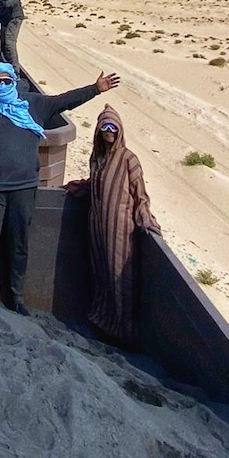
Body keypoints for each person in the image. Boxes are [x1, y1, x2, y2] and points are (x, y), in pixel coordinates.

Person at [0, 62, 119, 313]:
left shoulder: (34, 105)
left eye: (6, 80)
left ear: (14, 80)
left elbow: (64, 101)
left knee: (19, 242)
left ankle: (16, 298)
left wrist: (95, 89)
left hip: (23, 187)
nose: (2, 85)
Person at [66, 105, 159, 345]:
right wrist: (77, 187)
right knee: (102, 273)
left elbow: (141, 194)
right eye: (105, 127)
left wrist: (145, 218)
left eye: (113, 127)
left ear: (120, 131)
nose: (109, 131)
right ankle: (104, 323)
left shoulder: (129, 159)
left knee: (121, 277)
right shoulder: (97, 157)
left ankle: (123, 331)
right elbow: (94, 185)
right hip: (97, 226)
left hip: (119, 228)